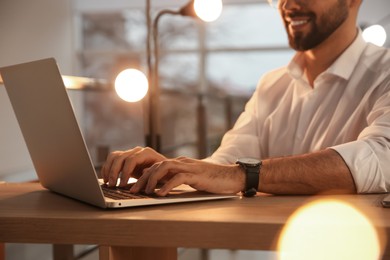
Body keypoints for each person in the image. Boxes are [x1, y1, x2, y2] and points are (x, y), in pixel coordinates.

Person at [102, 0, 390, 197]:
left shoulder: (384, 72)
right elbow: (226, 164)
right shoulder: (272, 84)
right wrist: (170, 172)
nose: (286, 5)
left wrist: (241, 175)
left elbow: (381, 157)